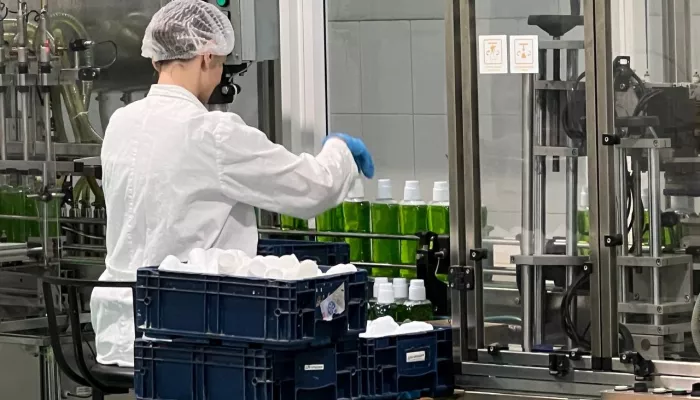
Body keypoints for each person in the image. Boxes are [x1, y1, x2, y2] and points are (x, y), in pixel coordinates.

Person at [91, 0, 374, 368]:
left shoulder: (120, 123)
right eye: (222, 64)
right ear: (207, 57)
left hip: (118, 331)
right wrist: (340, 152)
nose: (220, 76)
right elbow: (313, 190)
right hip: (188, 335)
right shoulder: (211, 133)